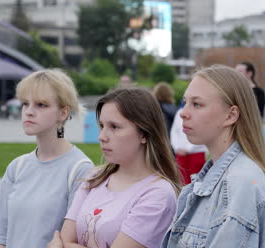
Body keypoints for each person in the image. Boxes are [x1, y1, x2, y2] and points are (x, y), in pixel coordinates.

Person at [162, 65, 265, 248]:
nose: (183, 113)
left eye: (197, 104)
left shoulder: (238, 185)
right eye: (184, 102)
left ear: (231, 115)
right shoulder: (224, 176)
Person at [49, 88, 181, 248]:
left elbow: (61, 245)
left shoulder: (158, 194)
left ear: (144, 134)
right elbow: (64, 239)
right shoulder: (95, 178)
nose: (102, 136)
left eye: (114, 127)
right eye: (102, 126)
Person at [0, 69, 94, 248]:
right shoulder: (16, 167)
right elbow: (1, 233)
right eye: (25, 103)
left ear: (63, 113)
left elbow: (74, 239)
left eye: (41, 104)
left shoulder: (80, 169)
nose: (29, 112)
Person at [170, 102, 208, 185]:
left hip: (196, 153)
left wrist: (187, 148)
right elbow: (174, 132)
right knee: (182, 182)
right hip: (180, 154)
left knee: (196, 183)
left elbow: (202, 132)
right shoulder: (180, 112)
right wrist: (177, 148)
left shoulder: (200, 113)